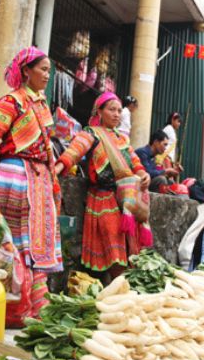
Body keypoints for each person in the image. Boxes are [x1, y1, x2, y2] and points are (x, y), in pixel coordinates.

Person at [0, 47, 63, 316]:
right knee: (25, 245)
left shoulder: (38, 103)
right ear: (26, 71)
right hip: (18, 176)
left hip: (32, 177)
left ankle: (23, 307)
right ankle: (31, 308)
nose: (47, 75)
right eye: (43, 69)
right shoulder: (12, 101)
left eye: (49, 70)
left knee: (21, 244)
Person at [55, 93, 150, 278]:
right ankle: (118, 290)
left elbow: (136, 163)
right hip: (103, 199)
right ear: (99, 111)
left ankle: (121, 291)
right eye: (111, 109)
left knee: (128, 249)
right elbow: (74, 152)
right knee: (115, 250)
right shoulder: (91, 133)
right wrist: (56, 168)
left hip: (125, 201)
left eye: (119, 111)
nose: (116, 114)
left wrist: (144, 175)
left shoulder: (122, 139)